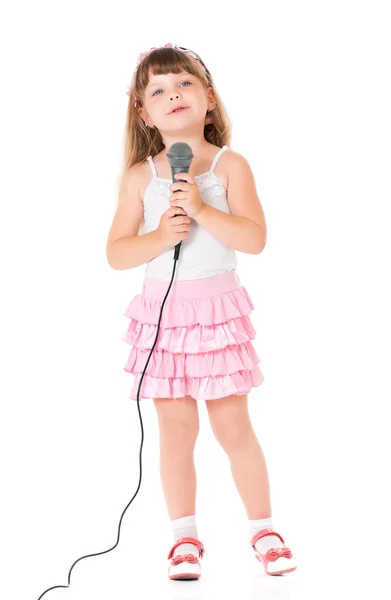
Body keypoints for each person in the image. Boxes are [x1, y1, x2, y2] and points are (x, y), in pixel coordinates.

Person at [106, 43, 297, 581]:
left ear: (208, 98)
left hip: (216, 314)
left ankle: (265, 530)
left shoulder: (229, 164)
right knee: (175, 427)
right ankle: (184, 537)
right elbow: (117, 252)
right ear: (143, 112)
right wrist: (160, 234)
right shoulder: (140, 177)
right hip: (163, 319)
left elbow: (255, 239)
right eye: (159, 90)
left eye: (184, 84)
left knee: (233, 424)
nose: (174, 95)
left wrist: (204, 210)